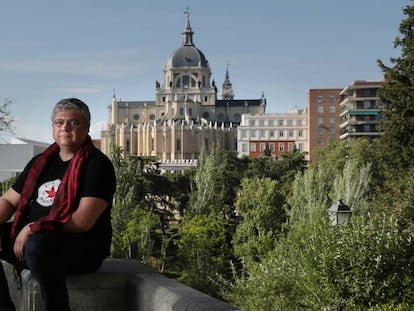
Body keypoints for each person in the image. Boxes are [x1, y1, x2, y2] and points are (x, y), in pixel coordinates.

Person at [0, 98, 116, 311]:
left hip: (81, 246)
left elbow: (82, 221)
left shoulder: (97, 166)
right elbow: (8, 200)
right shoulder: (40, 163)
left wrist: (33, 227)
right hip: (35, 241)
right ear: (53, 126)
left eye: (74, 123)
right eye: (59, 122)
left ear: (87, 127)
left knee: (37, 246)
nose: (65, 127)